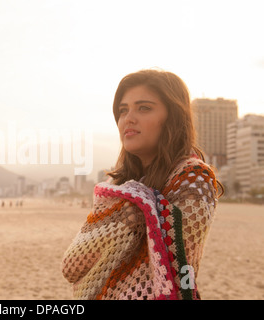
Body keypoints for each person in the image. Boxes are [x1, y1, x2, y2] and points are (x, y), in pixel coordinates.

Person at [62, 69, 224, 300]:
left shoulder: (193, 179)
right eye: (123, 110)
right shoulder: (116, 185)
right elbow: (72, 266)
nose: (129, 118)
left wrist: (133, 210)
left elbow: (180, 262)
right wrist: (131, 213)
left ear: (173, 116)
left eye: (144, 108)